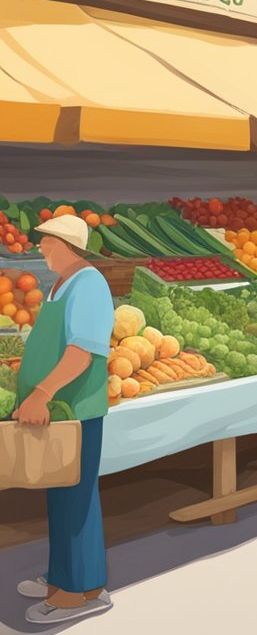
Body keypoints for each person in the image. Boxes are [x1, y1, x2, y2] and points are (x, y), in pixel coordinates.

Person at [14, 215, 115, 625]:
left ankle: (79, 593)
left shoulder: (90, 284)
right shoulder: (63, 282)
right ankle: (65, 578)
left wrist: (41, 392)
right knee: (61, 496)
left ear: (68, 245)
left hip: (76, 410)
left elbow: (81, 352)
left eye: (47, 243)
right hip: (60, 412)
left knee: (76, 498)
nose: (41, 250)